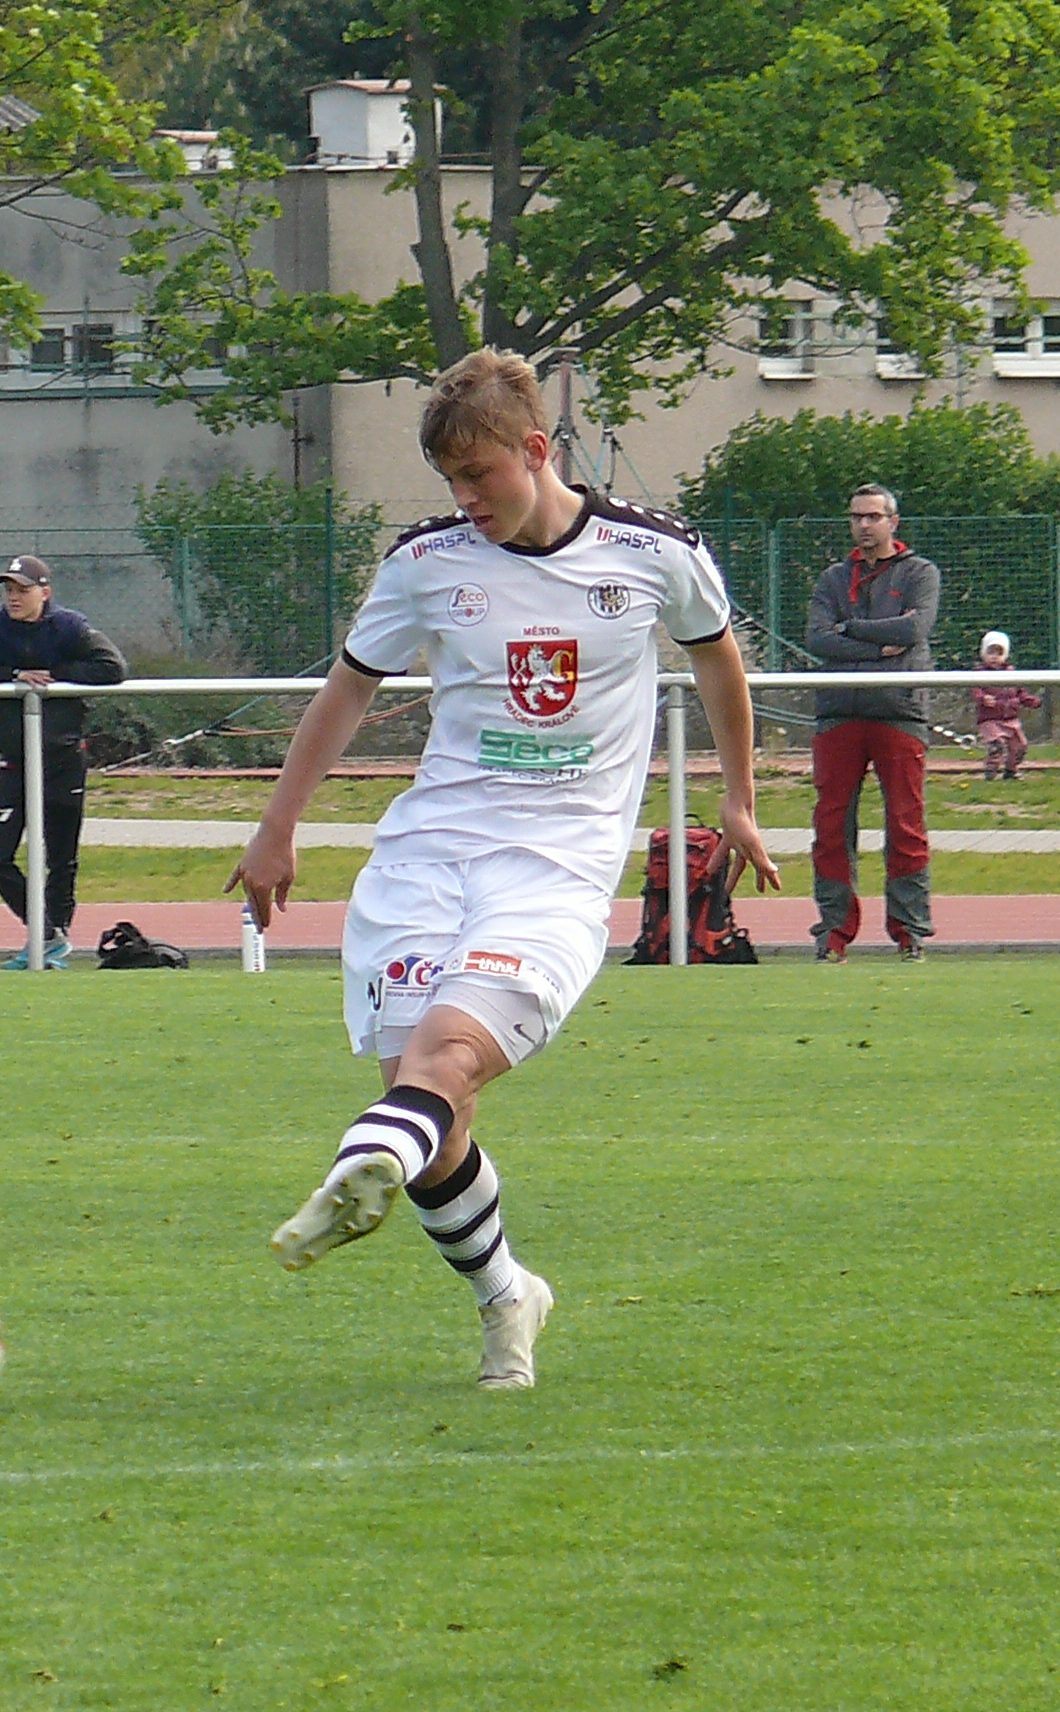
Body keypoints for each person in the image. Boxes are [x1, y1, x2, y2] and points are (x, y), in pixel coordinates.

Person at [230, 348, 777, 1390]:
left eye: (478, 475)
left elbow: (716, 657)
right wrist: (276, 826)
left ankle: (356, 1163)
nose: (465, 499)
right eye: (450, 482)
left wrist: (739, 798)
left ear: (535, 449)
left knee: (444, 1064)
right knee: (428, 1113)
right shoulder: (426, 562)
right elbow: (348, 688)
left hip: (556, 867)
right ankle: (505, 1295)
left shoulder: (653, 552)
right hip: (428, 855)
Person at [0, 555, 128, 968]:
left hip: (63, 760)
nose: (13, 598)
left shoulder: (69, 627)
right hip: (16, 762)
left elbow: (112, 667)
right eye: (9, 590)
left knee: (61, 858)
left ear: (45, 592)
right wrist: (13, 674)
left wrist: (54, 674)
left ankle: (52, 943)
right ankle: (46, 933)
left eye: (22, 590)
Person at [803, 484, 941, 963]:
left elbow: (914, 629)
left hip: (899, 711)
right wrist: (877, 646)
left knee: (905, 823)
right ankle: (833, 933)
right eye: (857, 516)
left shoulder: (920, 573)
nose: (864, 525)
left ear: (893, 522)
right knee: (831, 825)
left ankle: (910, 931)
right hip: (838, 712)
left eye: (873, 516)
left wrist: (850, 630)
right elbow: (818, 639)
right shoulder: (833, 579)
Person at [971, 629, 1042, 780]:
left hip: (1011, 719)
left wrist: (1031, 701)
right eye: (990, 652)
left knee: (1020, 746)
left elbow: (1020, 692)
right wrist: (983, 698)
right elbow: (975, 690)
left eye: (999, 653)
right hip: (990, 719)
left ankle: (1011, 770)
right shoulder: (980, 673)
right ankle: (991, 770)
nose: (994, 657)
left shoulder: (1011, 673)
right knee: (997, 745)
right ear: (983, 654)